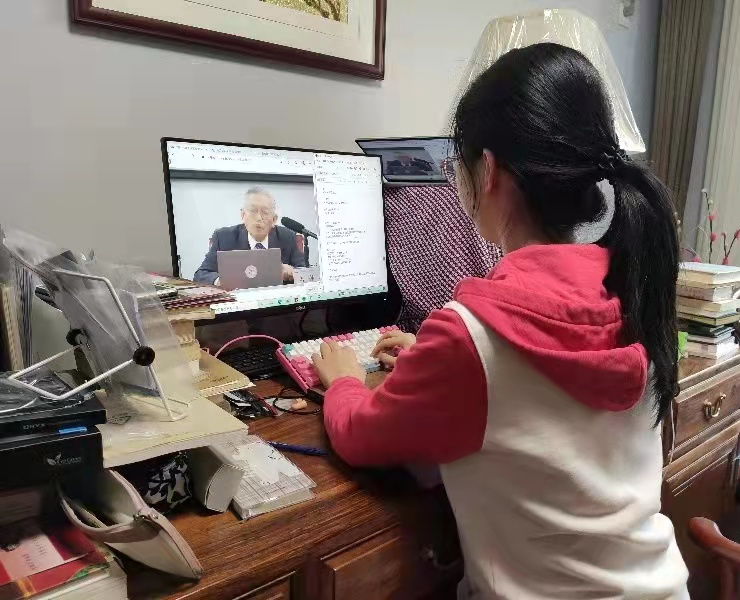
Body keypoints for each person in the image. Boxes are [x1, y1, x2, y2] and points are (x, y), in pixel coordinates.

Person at [311, 43, 689, 599]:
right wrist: (434, 356)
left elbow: (361, 436)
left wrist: (344, 380)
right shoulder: (635, 288)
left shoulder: (471, 335)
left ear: (487, 171)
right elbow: (522, 390)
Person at [193, 188, 305, 285]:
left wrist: (293, 272)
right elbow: (201, 274)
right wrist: (220, 280)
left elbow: (305, 273)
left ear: (274, 219)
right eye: (253, 211)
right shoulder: (223, 237)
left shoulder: (287, 237)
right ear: (243, 215)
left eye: (265, 212)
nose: (259, 218)